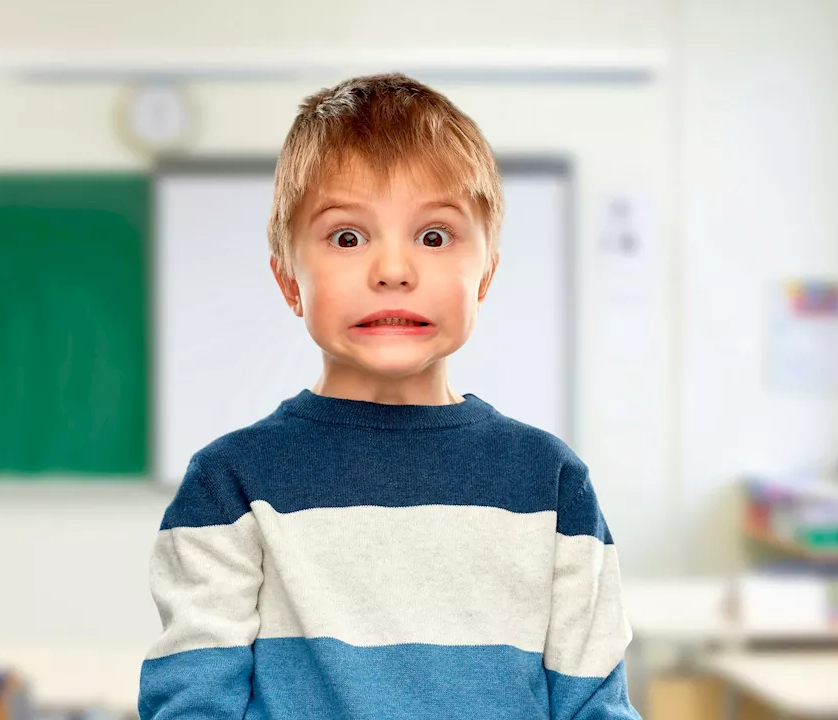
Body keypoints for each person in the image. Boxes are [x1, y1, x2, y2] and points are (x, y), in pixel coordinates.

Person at [138, 73, 640, 720]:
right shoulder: (230, 483)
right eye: (348, 237)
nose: (394, 270)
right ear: (289, 281)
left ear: (485, 275)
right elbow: (193, 707)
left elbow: (596, 705)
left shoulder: (550, 482)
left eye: (434, 236)